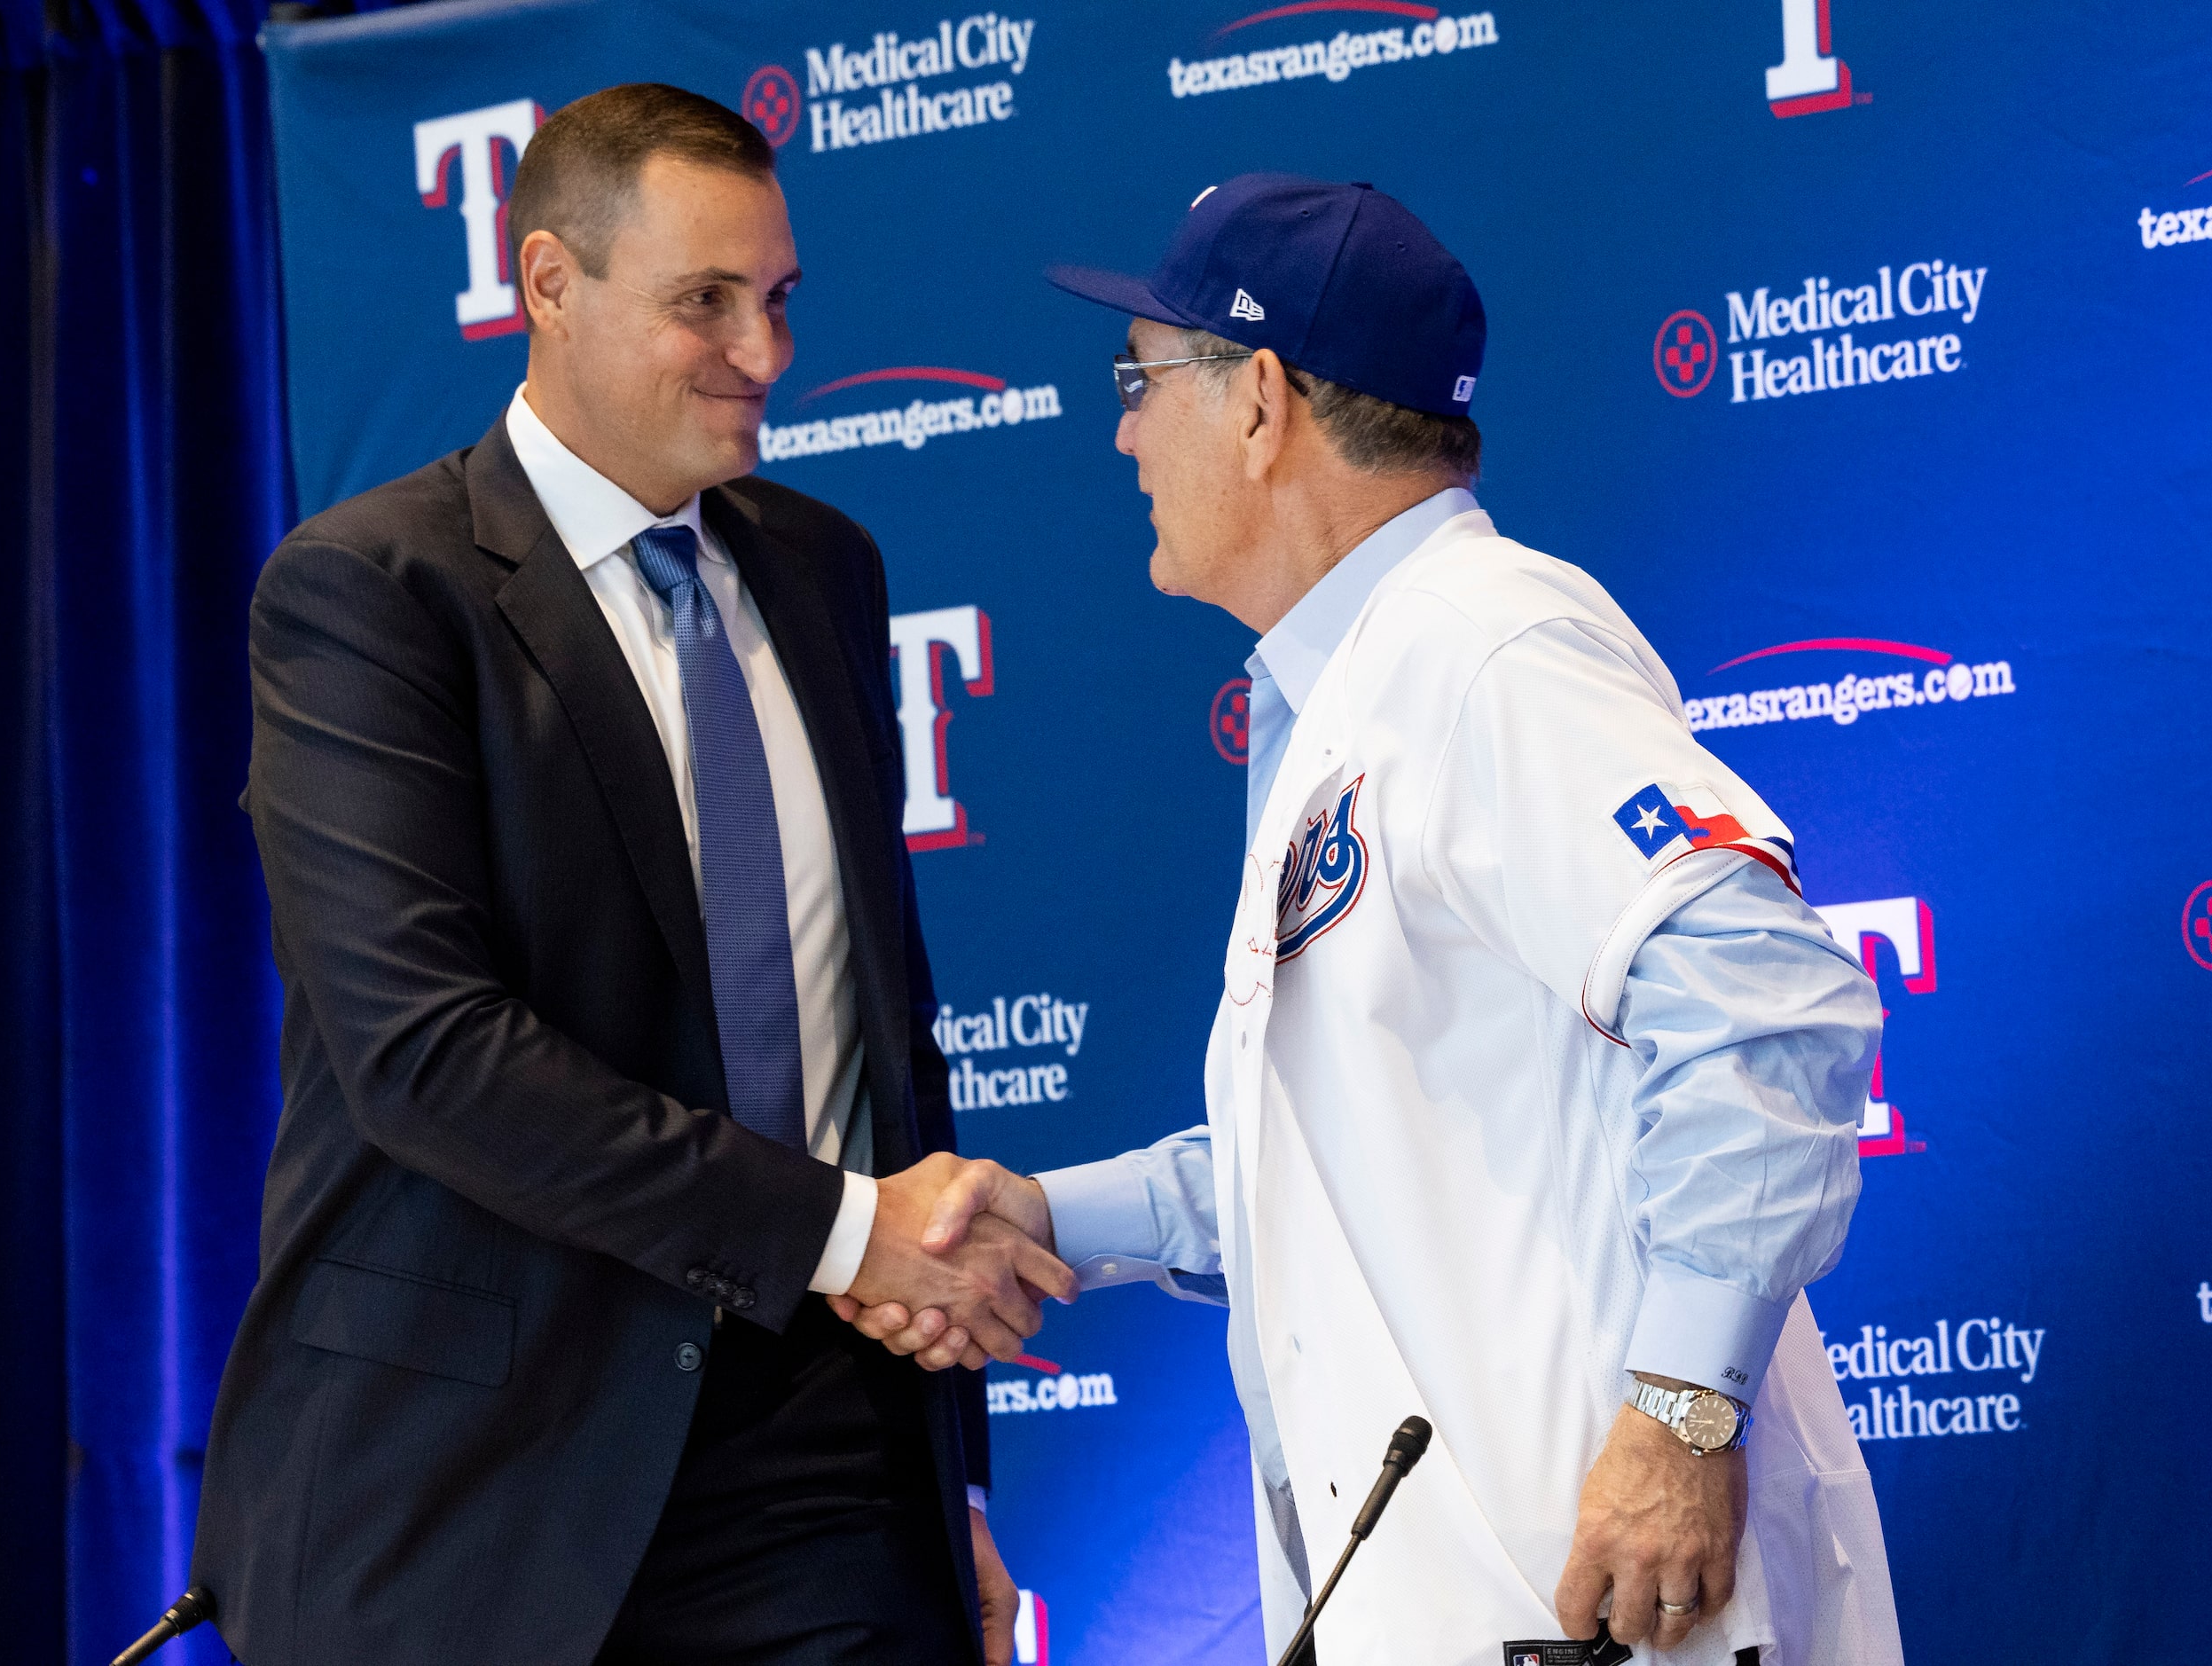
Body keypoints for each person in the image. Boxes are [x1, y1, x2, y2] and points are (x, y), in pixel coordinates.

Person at [835, 175, 1904, 1664]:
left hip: (1596, 1604)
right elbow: (1361, 1144)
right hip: (1481, 1600)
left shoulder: (1485, 646)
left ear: (1260, 402)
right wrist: (1043, 1221)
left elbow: (1764, 1004)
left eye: (1139, 382)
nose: (1124, 430)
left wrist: (1678, 1415)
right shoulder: (1354, 689)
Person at [190, 83, 1072, 1666]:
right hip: (480, 1491)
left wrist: (956, 1478)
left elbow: (883, 1038)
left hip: (824, 1469)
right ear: (545, 286)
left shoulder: (821, 568)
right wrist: (840, 1228)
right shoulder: (373, 595)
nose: (766, 355)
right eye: (703, 304)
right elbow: (426, 1055)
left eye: (779, 298)